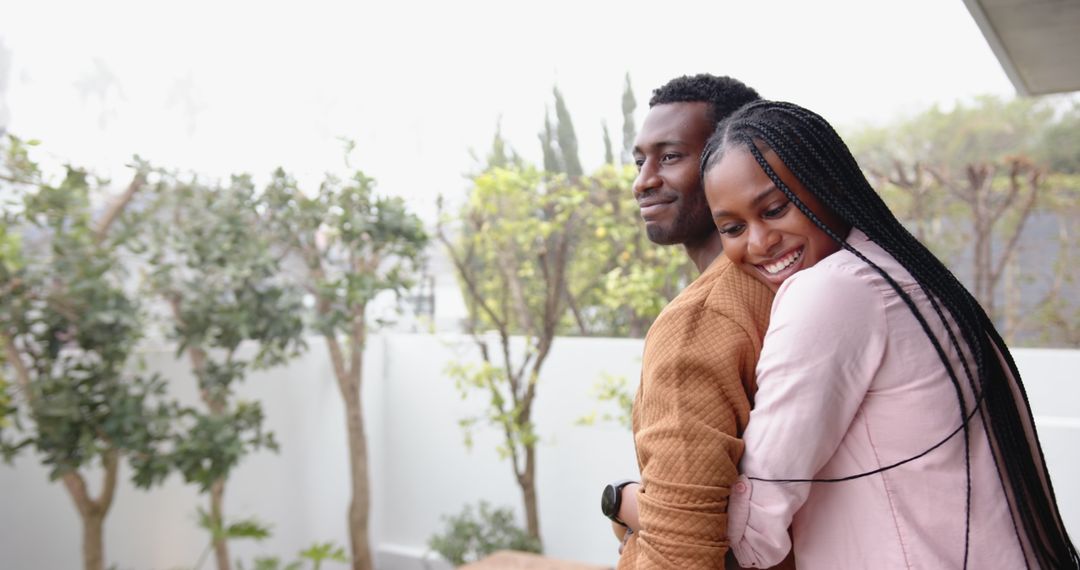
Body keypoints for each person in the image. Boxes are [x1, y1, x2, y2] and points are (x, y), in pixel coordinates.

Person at [699, 99, 1079, 569]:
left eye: (775, 208)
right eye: (733, 228)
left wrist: (627, 502)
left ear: (827, 185)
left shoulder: (830, 291)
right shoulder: (903, 272)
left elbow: (756, 522)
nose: (758, 242)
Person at [603, 74, 793, 569]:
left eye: (669, 157)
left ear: (728, 161)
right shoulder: (792, 282)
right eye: (639, 159)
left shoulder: (700, 322)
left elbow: (679, 552)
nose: (643, 180)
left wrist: (622, 506)